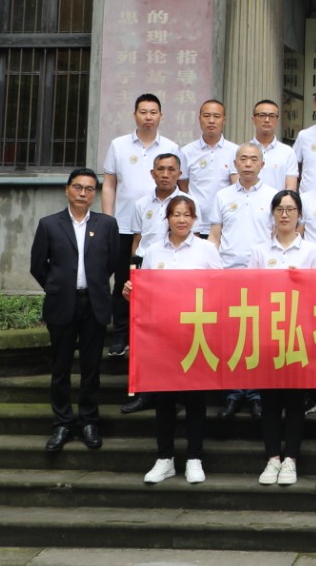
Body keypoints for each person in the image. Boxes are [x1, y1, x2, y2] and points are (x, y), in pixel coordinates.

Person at [125, 195, 219, 484]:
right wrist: (132, 291)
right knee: (164, 399)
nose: (181, 220)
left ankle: (194, 458)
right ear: (167, 218)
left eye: (187, 215)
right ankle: (164, 458)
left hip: (195, 334)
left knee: (195, 399)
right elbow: (146, 291)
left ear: (195, 219)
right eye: (176, 214)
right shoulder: (153, 251)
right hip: (162, 336)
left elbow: (220, 289)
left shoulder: (206, 249)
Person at [29, 168, 119, 453]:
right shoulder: (49, 224)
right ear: (67, 190)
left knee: (91, 367)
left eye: (90, 189)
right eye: (78, 187)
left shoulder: (107, 224)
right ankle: (62, 423)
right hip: (62, 303)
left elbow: (112, 263)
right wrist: (57, 286)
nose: (83, 193)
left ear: (95, 194)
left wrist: (94, 285)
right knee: (61, 367)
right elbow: (37, 265)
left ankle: (89, 421)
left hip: (94, 303)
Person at [251, 189, 316, 486]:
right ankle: (272, 458)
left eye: (290, 209)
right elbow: (250, 292)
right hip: (268, 332)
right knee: (269, 400)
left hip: (299, 333)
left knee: (295, 400)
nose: (284, 215)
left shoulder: (311, 251)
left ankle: (291, 458)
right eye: (279, 209)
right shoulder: (259, 251)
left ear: (299, 215)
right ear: (272, 214)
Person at [101, 93, 179, 356]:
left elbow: (180, 186)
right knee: (124, 283)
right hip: (124, 226)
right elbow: (109, 184)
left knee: (161, 285)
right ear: (135, 115)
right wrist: (108, 220)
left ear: (161, 116)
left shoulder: (171, 146)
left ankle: (154, 335)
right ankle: (120, 335)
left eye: (153, 112)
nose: (148, 117)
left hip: (161, 229)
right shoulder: (119, 145)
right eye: (143, 112)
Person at [209, 142, 278, 418]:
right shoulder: (222, 196)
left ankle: (257, 393)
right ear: (234, 164)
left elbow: (276, 236)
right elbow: (215, 236)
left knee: (259, 337)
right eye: (243, 159)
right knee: (232, 337)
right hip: (229, 274)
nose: (248, 164)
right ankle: (233, 392)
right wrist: (213, 270)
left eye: (253, 159)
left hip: (262, 276)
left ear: (262, 164)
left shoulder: (273, 196)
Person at [116, 151, 188, 415]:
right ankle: (145, 394)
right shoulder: (141, 203)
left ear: (179, 173)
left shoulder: (189, 203)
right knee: (146, 337)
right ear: (152, 173)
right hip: (148, 274)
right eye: (160, 169)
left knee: (176, 338)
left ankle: (176, 393)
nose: (165, 174)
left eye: (171, 169)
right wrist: (135, 271)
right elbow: (137, 240)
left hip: (177, 276)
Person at [179, 99, 238, 226]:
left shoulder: (235, 151)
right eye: (206, 116)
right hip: (195, 223)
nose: (211, 120)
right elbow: (183, 185)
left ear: (224, 120)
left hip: (224, 222)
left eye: (216, 116)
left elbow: (237, 186)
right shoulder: (186, 152)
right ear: (199, 119)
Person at [249, 99, 297, 191]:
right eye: (262, 115)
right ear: (253, 119)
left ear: (277, 120)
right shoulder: (243, 151)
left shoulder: (288, 152)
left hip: (278, 200)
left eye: (272, 116)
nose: (267, 120)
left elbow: (291, 188)